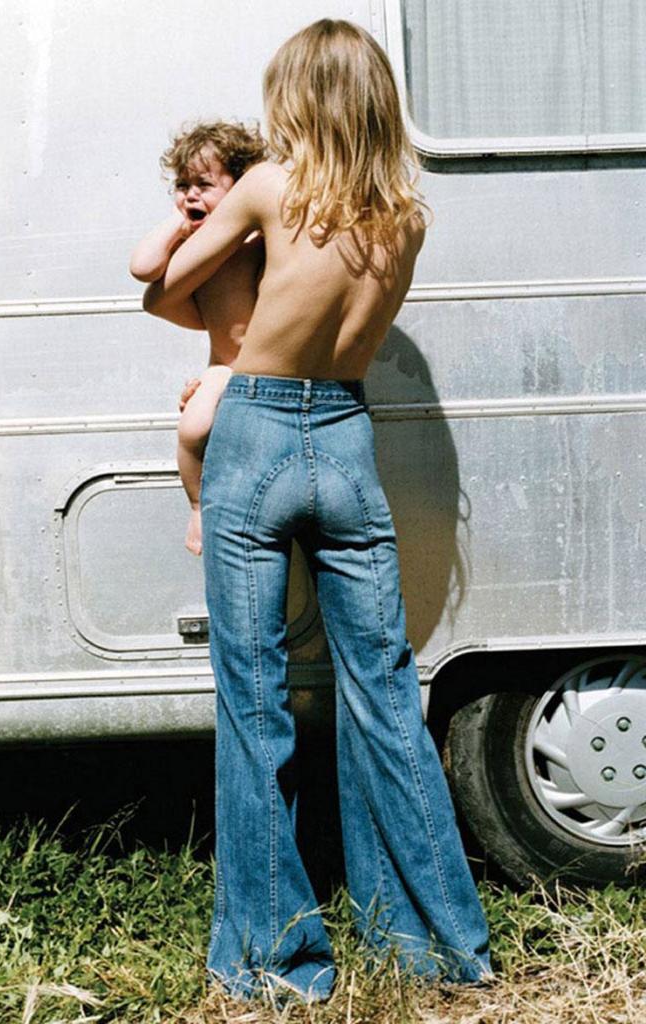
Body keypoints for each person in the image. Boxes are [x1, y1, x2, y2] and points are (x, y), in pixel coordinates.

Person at [143, 19, 492, 1003]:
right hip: (343, 434)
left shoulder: (266, 188)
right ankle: (441, 943)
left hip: (256, 433)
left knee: (255, 702)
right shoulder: (406, 215)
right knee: (384, 695)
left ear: (294, 99)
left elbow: (168, 284)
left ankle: (275, 959)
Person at [129, 122, 266, 555]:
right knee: (193, 428)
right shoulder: (189, 241)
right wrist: (176, 223)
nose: (190, 194)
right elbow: (143, 267)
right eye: (182, 185)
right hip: (224, 366)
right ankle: (197, 506)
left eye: (204, 184)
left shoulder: (256, 237)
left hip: (263, 364)